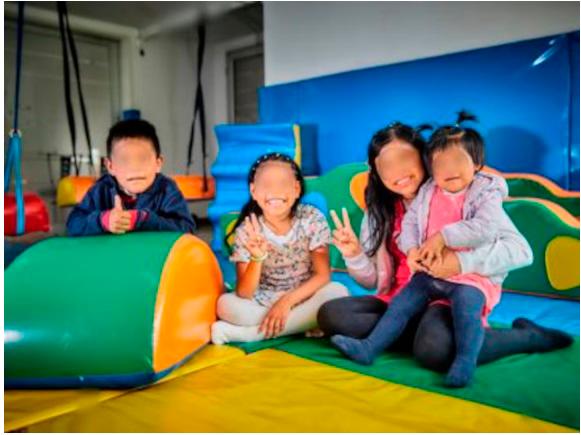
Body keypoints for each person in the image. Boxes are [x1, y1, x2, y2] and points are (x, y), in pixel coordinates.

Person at [211, 152, 348, 344]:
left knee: (338, 292)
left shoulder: (312, 219)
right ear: (253, 191)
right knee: (225, 305)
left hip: (305, 296)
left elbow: (323, 275)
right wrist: (257, 258)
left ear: (297, 188)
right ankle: (300, 324)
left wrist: (286, 303)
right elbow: (245, 292)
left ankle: (252, 334)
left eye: (283, 183)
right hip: (265, 301)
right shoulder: (248, 230)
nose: (275, 191)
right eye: (266, 185)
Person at [66, 119, 196, 236]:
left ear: (158, 163)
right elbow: (73, 224)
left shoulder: (167, 189)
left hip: (153, 259)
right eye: (124, 160)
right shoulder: (101, 189)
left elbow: (187, 228)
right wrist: (103, 220)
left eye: (143, 159)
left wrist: (145, 219)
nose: (134, 168)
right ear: (110, 166)